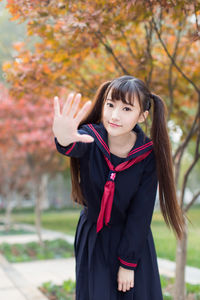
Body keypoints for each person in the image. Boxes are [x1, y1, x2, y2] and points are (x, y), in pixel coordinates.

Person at [52, 75, 185, 300]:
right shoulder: (90, 138)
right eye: (110, 105)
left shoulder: (147, 155)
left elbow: (141, 212)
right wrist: (63, 137)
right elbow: (73, 144)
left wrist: (128, 263)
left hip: (133, 240)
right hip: (94, 237)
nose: (114, 115)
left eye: (126, 109)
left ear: (142, 116)